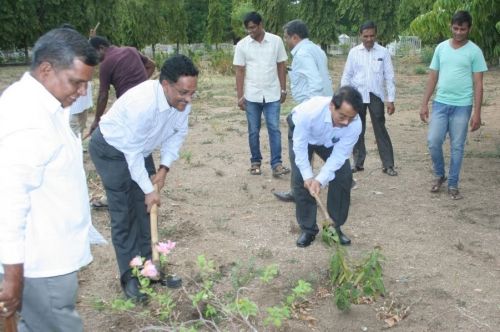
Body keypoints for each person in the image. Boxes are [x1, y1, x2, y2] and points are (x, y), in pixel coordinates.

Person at [0, 28, 99, 331]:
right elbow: (10, 200)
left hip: (49, 253)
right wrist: (13, 275)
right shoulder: (28, 120)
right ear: (46, 69)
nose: (82, 92)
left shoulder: (47, 105)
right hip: (40, 262)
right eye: (76, 82)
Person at [89, 55, 198, 300]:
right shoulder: (143, 104)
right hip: (112, 150)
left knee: (146, 210)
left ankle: (150, 269)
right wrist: (149, 190)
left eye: (193, 93)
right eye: (183, 92)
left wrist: (163, 170)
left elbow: (177, 134)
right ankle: (130, 278)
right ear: (166, 85)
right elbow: (131, 153)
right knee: (124, 212)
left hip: (140, 149)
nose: (189, 99)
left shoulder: (182, 101)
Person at [420, 11, 487, 200]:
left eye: (463, 29)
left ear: (469, 29)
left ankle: (453, 184)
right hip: (440, 103)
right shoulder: (441, 48)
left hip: (462, 106)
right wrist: (424, 103)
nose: (458, 32)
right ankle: (440, 175)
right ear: (451, 26)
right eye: (455, 28)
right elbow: (433, 76)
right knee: (433, 141)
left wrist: (477, 113)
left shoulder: (475, 51)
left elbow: (478, 84)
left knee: (457, 146)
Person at [289, 86, 363, 248]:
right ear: (331, 106)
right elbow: (300, 148)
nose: (346, 122)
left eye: (351, 118)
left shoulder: (354, 124)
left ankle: (334, 227)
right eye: (342, 116)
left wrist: (320, 180)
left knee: (343, 175)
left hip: (330, 141)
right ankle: (308, 229)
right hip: (304, 136)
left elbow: (339, 156)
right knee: (301, 178)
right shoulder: (308, 114)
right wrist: (309, 177)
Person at [274, 19, 334, 202]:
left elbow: (315, 82)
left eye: (286, 37)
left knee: (299, 151)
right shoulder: (316, 50)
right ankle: (301, 188)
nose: (286, 41)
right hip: (323, 107)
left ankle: (300, 191)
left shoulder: (302, 54)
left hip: (311, 109)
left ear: (295, 36)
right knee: (317, 148)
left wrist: (309, 110)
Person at [233, 11, 290, 177]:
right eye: (248, 29)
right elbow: (239, 71)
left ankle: (277, 164)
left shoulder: (275, 41)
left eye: (253, 28)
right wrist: (240, 96)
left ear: (260, 25)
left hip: (272, 93)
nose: (250, 31)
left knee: (274, 129)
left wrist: (283, 89)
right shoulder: (243, 45)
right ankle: (255, 162)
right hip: (252, 95)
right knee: (253, 130)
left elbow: (281, 65)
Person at [341, 21, 397, 176]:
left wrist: (390, 99)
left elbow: (389, 76)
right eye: (365, 36)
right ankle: (358, 163)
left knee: (380, 128)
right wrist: (344, 97)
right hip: (356, 96)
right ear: (360, 36)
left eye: (372, 35)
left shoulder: (383, 52)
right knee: (357, 129)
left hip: (375, 95)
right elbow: (347, 75)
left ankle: (388, 164)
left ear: (376, 35)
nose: (369, 39)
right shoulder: (353, 52)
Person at [86, 35, 156, 138]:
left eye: (93, 54)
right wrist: (142, 84)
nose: (94, 59)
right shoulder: (131, 50)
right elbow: (152, 65)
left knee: (128, 138)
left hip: (129, 106)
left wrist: (97, 120)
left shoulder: (105, 64)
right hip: (148, 100)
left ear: (101, 48)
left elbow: (103, 95)